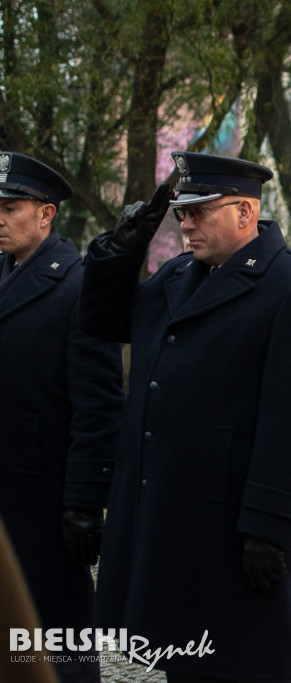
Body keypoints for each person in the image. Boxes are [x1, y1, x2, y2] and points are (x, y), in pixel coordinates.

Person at [80, 151, 291, 682]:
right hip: (172, 508)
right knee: (187, 658)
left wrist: (269, 524)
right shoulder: (179, 274)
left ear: (245, 213)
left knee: (242, 661)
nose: (186, 225)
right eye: (181, 214)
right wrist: (118, 252)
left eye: (200, 212)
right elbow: (103, 322)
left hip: (232, 517)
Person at [0, 151, 124, 683]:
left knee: (56, 634)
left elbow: (98, 405)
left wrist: (83, 502)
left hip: (45, 492)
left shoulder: (75, 285)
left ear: (46, 214)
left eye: (10, 208)